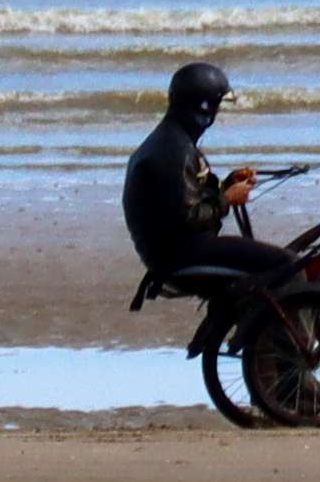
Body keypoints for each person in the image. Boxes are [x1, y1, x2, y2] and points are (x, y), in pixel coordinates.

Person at [124, 58, 299, 318]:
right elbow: (189, 217)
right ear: (204, 107)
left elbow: (187, 194)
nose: (217, 113)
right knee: (289, 263)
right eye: (216, 105)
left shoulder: (173, 139)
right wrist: (227, 199)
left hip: (173, 250)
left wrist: (227, 184)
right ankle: (285, 345)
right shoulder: (174, 150)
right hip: (180, 254)